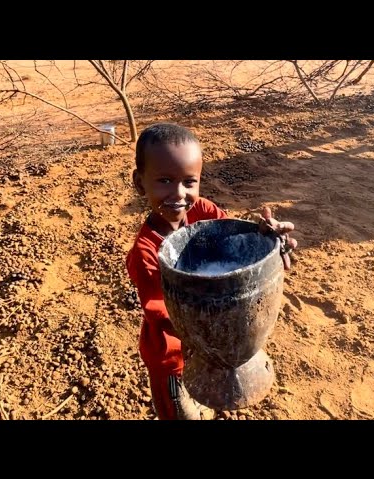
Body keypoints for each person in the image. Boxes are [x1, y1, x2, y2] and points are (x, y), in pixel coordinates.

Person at [126, 123, 297, 420]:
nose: (178, 193)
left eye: (189, 182)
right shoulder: (145, 253)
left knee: (210, 396)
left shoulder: (202, 211)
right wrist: (213, 329)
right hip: (173, 355)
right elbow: (158, 312)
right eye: (164, 180)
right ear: (140, 184)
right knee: (180, 412)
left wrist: (267, 243)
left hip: (215, 347)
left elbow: (233, 245)